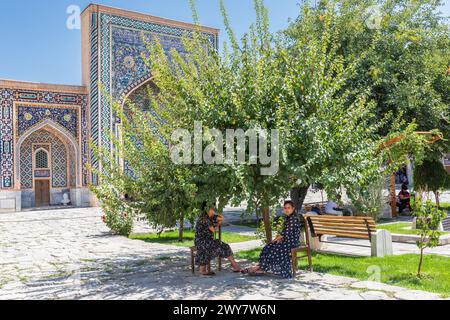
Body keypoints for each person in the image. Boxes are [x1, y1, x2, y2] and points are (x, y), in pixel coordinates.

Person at [242, 200, 301, 279]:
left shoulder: (293, 219)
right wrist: (278, 239)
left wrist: (275, 240)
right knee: (269, 247)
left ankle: (258, 268)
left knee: (273, 247)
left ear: (293, 209)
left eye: (289, 208)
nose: (287, 210)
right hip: (287, 241)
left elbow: (285, 233)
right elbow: (284, 233)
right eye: (285, 208)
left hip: (292, 242)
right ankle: (260, 268)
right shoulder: (288, 218)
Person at [195, 202, 241, 276]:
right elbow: (213, 230)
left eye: (214, 208)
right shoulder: (204, 219)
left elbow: (222, 218)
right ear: (207, 209)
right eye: (212, 208)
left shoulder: (211, 217)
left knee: (225, 246)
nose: (214, 209)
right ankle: (202, 270)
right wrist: (218, 223)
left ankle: (236, 267)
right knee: (219, 245)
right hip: (201, 241)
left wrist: (218, 216)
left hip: (208, 240)